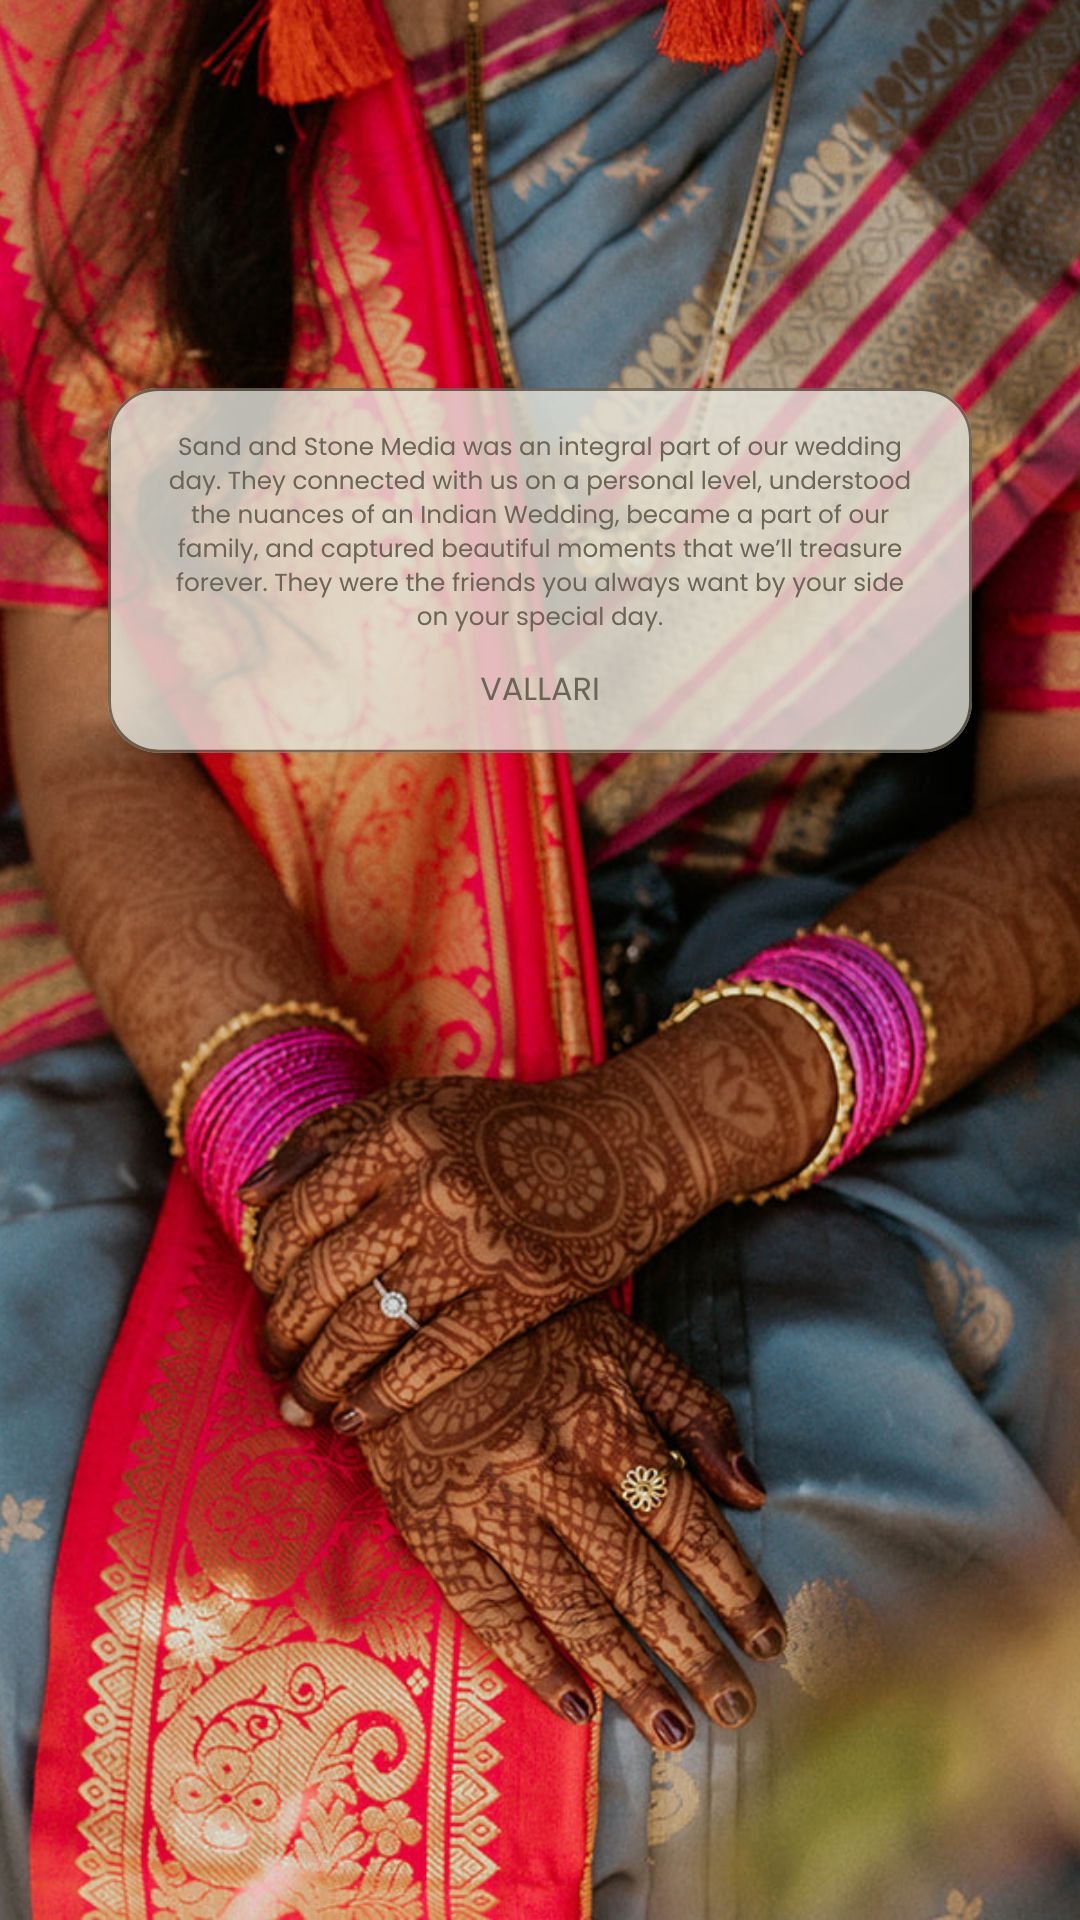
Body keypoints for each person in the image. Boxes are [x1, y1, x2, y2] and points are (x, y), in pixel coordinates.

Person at [2, 0, 1079, 1915]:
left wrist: (624, 1156)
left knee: (841, 1587)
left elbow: (1069, 807)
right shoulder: (98, 56)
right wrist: (361, 1249)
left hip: (822, 955)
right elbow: (93, 744)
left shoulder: (1002, 68)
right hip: (232, 938)